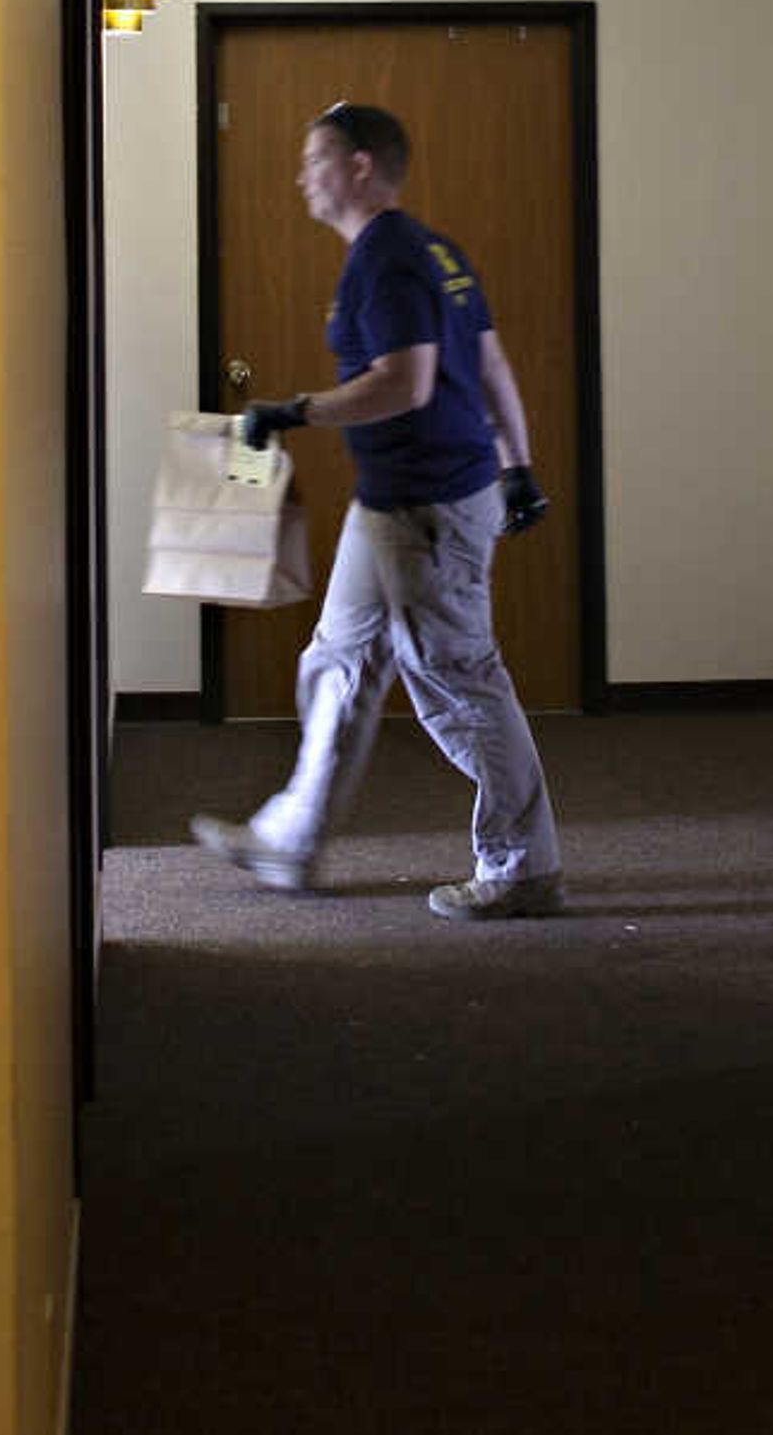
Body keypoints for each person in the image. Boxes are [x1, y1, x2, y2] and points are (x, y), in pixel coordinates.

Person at [191, 100, 565, 920]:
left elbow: (408, 381)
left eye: (315, 157)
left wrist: (296, 410)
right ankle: (291, 838)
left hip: (427, 504)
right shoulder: (433, 250)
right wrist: (519, 465)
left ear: (360, 166)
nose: (301, 175)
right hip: (397, 499)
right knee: (340, 661)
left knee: (457, 681)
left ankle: (521, 863)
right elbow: (492, 363)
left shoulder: (388, 259)